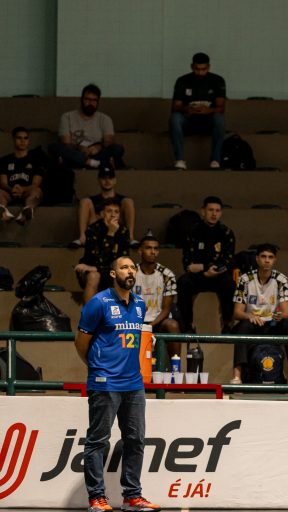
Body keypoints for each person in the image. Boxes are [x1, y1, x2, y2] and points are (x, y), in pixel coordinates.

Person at [74, 256, 160, 512]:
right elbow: (81, 343)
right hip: (105, 383)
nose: (130, 271)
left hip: (134, 383)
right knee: (98, 441)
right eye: (124, 268)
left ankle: (132, 496)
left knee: (136, 440)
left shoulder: (140, 304)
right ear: (113, 274)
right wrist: (97, 367)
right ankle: (96, 498)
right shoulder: (98, 303)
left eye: (132, 267)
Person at [230, 243, 288, 385]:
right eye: (263, 256)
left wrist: (279, 315)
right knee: (242, 327)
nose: (267, 260)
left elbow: (286, 313)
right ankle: (237, 376)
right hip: (253, 323)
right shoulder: (245, 279)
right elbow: (237, 313)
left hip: (273, 323)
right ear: (257, 259)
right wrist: (250, 316)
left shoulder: (282, 280)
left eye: (270, 257)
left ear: (275, 260)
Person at [177, 195, 235, 333]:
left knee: (230, 284)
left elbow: (228, 261)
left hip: (218, 274)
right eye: (210, 210)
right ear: (203, 211)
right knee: (183, 282)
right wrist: (204, 270)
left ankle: (227, 325)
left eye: (217, 210)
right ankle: (187, 326)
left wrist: (205, 267)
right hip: (198, 276)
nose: (214, 214)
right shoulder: (193, 232)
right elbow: (187, 262)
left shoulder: (226, 233)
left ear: (221, 213)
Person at [169, 52, 226, 170]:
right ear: (192, 66)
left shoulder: (217, 80)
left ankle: (215, 160)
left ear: (208, 67)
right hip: (189, 122)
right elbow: (175, 107)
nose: (200, 72)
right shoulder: (182, 80)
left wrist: (208, 110)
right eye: (197, 69)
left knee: (219, 118)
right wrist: (186, 109)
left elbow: (221, 108)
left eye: (203, 69)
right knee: (175, 118)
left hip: (208, 123)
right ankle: (180, 160)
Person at [50, 84, 126, 170]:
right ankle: (91, 163)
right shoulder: (67, 117)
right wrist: (79, 148)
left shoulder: (105, 119)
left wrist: (99, 147)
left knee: (117, 148)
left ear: (98, 102)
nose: (91, 103)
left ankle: (84, 164)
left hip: (96, 154)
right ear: (81, 100)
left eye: (94, 100)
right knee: (54, 146)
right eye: (87, 99)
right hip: (76, 152)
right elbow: (66, 142)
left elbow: (109, 142)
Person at [133, 234, 181, 364]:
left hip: (158, 322)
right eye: (148, 248)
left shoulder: (167, 275)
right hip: (136, 320)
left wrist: (150, 326)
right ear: (140, 251)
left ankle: (176, 367)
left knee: (172, 325)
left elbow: (166, 309)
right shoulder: (131, 273)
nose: (153, 251)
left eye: (155, 248)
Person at [75, 198, 130, 303]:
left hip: (109, 270)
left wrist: (96, 268)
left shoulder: (123, 231)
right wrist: (110, 234)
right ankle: (90, 313)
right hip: (90, 270)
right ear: (101, 214)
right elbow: (97, 259)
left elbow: (122, 260)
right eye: (109, 211)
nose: (113, 215)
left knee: (123, 276)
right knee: (94, 276)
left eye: (116, 212)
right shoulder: (92, 230)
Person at [70, 165, 137, 248]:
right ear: (98, 180)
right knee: (84, 201)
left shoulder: (123, 200)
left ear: (115, 180)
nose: (107, 181)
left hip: (117, 230)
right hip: (97, 232)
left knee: (129, 201)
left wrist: (108, 216)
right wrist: (102, 218)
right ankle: (82, 237)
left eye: (110, 178)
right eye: (104, 178)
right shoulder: (92, 201)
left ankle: (130, 237)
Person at [0, 126, 45, 224]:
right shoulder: (4, 160)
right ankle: (2, 210)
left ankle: (27, 210)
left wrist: (22, 189)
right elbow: (3, 183)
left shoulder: (36, 160)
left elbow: (35, 184)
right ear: (13, 139)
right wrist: (12, 189)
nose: (22, 141)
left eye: (25, 138)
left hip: (27, 192)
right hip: (9, 193)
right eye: (19, 138)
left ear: (28, 140)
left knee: (37, 191)